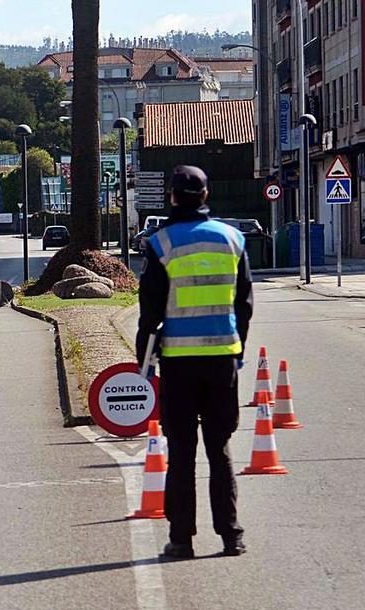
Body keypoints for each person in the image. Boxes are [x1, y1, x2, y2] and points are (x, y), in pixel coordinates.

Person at [135, 166, 254, 559]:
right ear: (206, 196)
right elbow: (245, 305)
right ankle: (231, 536)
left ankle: (182, 539)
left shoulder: (161, 243)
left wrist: (144, 364)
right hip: (222, 362)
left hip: (180, 365)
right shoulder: (233, 240)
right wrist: (237, 351)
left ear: (172, 197)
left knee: (182, 453)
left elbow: (149, 312)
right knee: (219, 449)